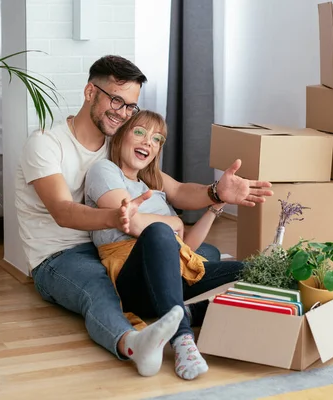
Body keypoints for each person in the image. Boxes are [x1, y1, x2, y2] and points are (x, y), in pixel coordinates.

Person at [15, 55, 273, 378]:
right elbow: (63, 212)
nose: (121, 113)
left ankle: (183, 310)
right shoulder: (46, 145)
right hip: (58, 255)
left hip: (114, 246)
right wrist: (120, 219)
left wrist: (216, 194)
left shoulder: (117, 143)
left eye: (129, 107)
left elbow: (176, 191)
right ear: (90, 92)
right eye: (116, 100)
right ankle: (135, 344)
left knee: (200, 254)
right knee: (99, 287)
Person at [84, 110, 249, 380]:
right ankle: (183, 341)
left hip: (166, 276)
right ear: (121, 135)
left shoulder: (155, 187)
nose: (148, 142)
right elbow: (131, 222)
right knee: (160, 231)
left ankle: (185, 311)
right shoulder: (104, 170)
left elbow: (187, 250)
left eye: (157, 139)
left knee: (248, 270)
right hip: (132, 280)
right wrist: (173, 224)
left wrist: (214, 208)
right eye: (140, 132)